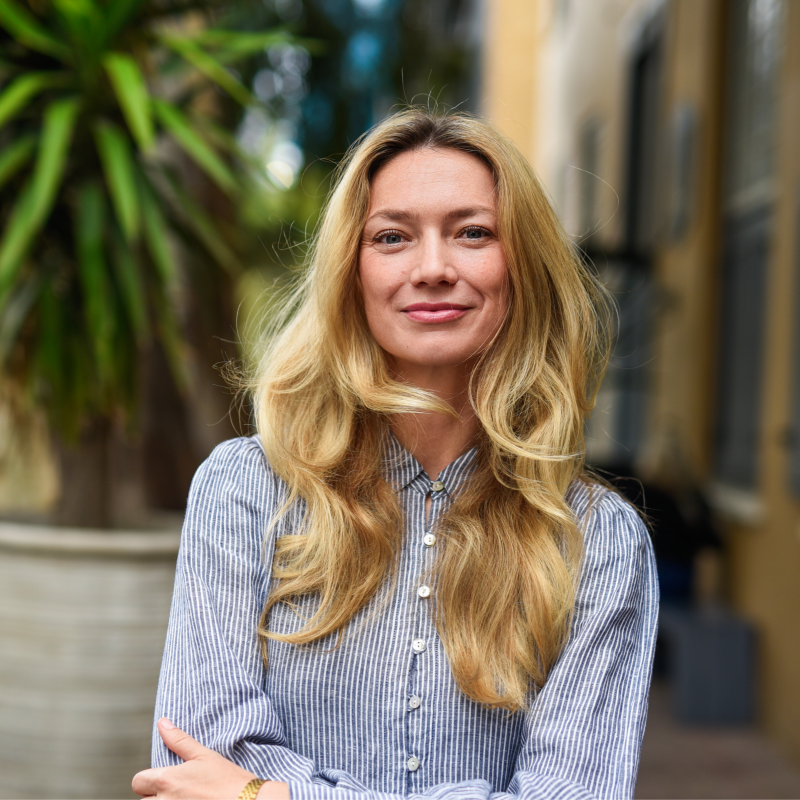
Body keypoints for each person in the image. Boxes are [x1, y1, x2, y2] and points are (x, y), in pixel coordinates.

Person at [132, 110, 658, 800]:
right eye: (392, 237)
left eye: (473, 233)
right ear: (352, 272)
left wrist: (275, 795)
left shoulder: (597, 544)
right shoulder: (245, 492)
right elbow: (195, 764)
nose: (433, 268)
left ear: (522, 268)